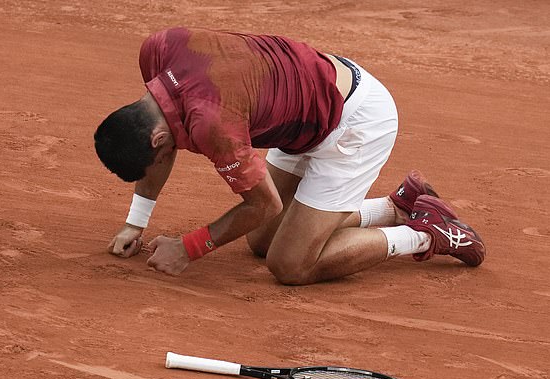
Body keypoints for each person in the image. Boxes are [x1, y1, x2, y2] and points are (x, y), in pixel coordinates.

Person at [94, 27, 485, 285]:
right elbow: (159, 146)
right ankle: (395, 207)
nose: (164, 160)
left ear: (159, 138)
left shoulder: (213, 125)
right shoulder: (157, 50)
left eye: (160, 156)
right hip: (305, 102)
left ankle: (425, 233)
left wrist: (191, 247)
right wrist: (135, 223)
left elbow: (263, 204)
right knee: (262, 242)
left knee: (291, 265)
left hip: (355, 123)